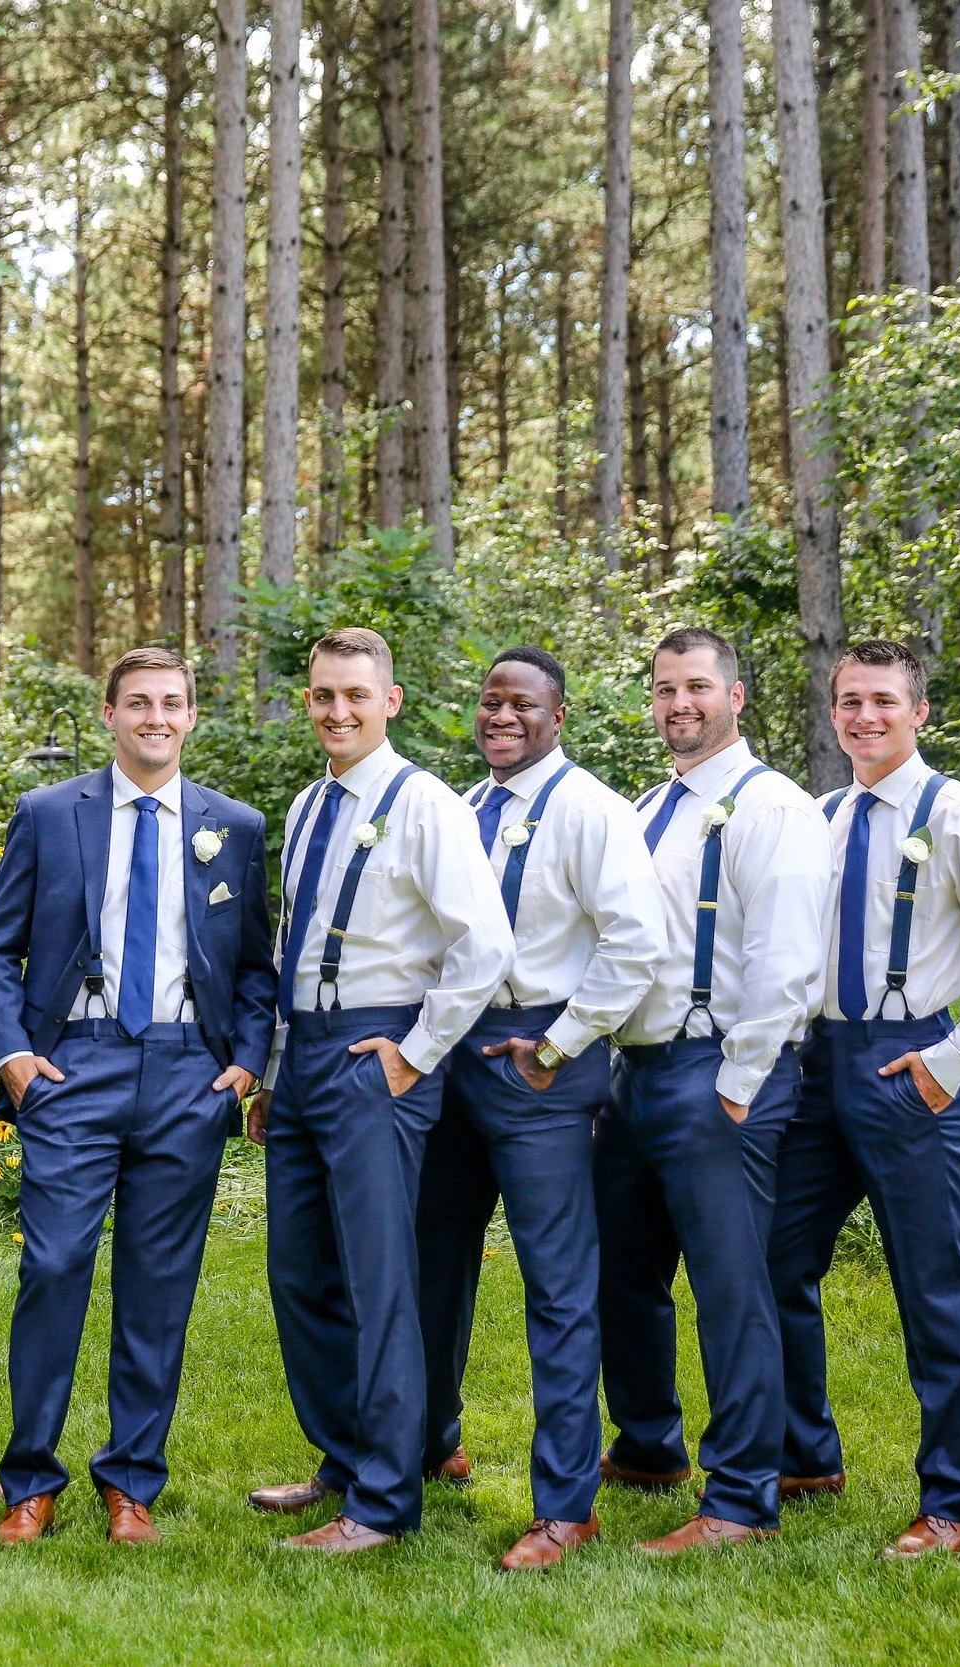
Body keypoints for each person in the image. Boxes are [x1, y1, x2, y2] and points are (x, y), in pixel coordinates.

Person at [0, 647, 276, 1546]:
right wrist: (15, 1057)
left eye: (171, 703)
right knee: (55, 1265)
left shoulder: (236, 826)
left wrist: (246, 1061)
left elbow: (258, 964)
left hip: (189, 1068)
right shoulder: (49, 813)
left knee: (159, 1283)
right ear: (109, 713)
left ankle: (131, 1480)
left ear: (191, 717)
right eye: (137, 701)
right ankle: (31, 1479)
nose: (155, 716)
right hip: (76, 1063)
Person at [766, 639, 960, 1559]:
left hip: (909, 1067)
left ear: (919, 712)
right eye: (848, 700)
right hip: (817, 1067)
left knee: (933, 1286)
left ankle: (956, 1499)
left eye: (883, 700)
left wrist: (954, 1057)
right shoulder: (817, 815)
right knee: (773, 1261)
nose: (864, 716)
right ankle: (805, 1454)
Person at [243, 627, 514, 1553]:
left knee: (379, 1278)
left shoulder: (426, 803)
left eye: (355, 694)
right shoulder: (308, 804)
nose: (337, 710)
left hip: (376, 1054)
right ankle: (345, 1455)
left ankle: (387, 1501)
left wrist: (414, 1052)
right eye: (322, 694)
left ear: (389, 700)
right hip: (305, 1056)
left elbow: (484, 945)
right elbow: (294, 946)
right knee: (300, 1271)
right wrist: (276, 1069)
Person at [411, 647, 665, 1569]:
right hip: (451, 1059)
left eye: (522, 704)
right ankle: (427, 1444)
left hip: (540, 1069)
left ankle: (566, 1504)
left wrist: (560, 1044)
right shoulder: (460, 810)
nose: (502, 716)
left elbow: (637, 944)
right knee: (429, 1264)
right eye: (489, 702)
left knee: (558, 1289)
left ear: (559, 716)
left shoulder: (591, 809)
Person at [596, 626, 828, 1556]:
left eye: (696, 686)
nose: (677, 703)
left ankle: (740, 1497)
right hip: (635, 1070)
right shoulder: (648, 806)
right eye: (662, 688)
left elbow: (785, 956)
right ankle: (650, 1445)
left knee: (733, 1289)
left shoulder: (774, 806)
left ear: (736, 696)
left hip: (722, 1072)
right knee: (622, 1271)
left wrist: (739, 1082)